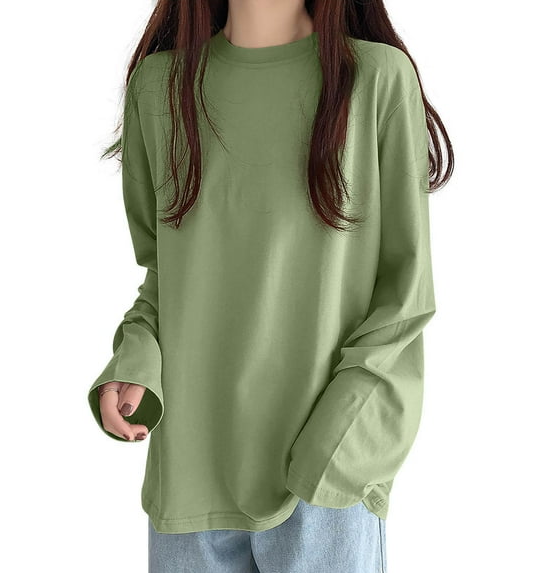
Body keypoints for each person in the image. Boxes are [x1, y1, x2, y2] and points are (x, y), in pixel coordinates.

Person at [87, 0, 453, 571]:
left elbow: (404, 294)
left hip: (324, 482)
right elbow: (166, 272)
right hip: (188, 480)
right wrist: (134, 360)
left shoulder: (376, 78)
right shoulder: (158, 88)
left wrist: (335, 448)